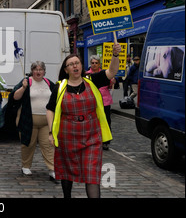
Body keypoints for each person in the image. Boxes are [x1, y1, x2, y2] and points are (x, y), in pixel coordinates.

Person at [46, 42, 121, 198]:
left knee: (92, 173)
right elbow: (50, 109)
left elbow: (112, 72)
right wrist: (51, 133)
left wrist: (115, 55)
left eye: (77, 63)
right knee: (67, 171)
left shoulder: (92, 80)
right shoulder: (59, 87)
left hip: (91, 136)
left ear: (81, 65)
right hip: (67, 136)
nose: (75, 66)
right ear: (66, 69)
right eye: (71, 64)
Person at [10, 61, 57, 182]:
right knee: (28, 144)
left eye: (41, 69)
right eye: (35, 69)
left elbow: (56, 98)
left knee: (48, 145)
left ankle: (52, 169)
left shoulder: (49, 83)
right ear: (32, 71)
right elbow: (14, 97)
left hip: (46, 122)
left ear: (44, 71)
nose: (38, 72)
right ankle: (26, 166)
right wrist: (23, 87)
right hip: (28, 121)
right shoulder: (26, 82)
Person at [86, 55, 115, 150]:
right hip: (92, 102)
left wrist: (112, 82)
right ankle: (93, 140)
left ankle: (106, 141)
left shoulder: (104, 73)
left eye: (96, 63)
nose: (94, 65)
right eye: (92, 63)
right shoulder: (87, 75)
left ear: (99, 64)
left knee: (106, 120)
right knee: (92, 121)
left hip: (104, 101)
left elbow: (110, 87)